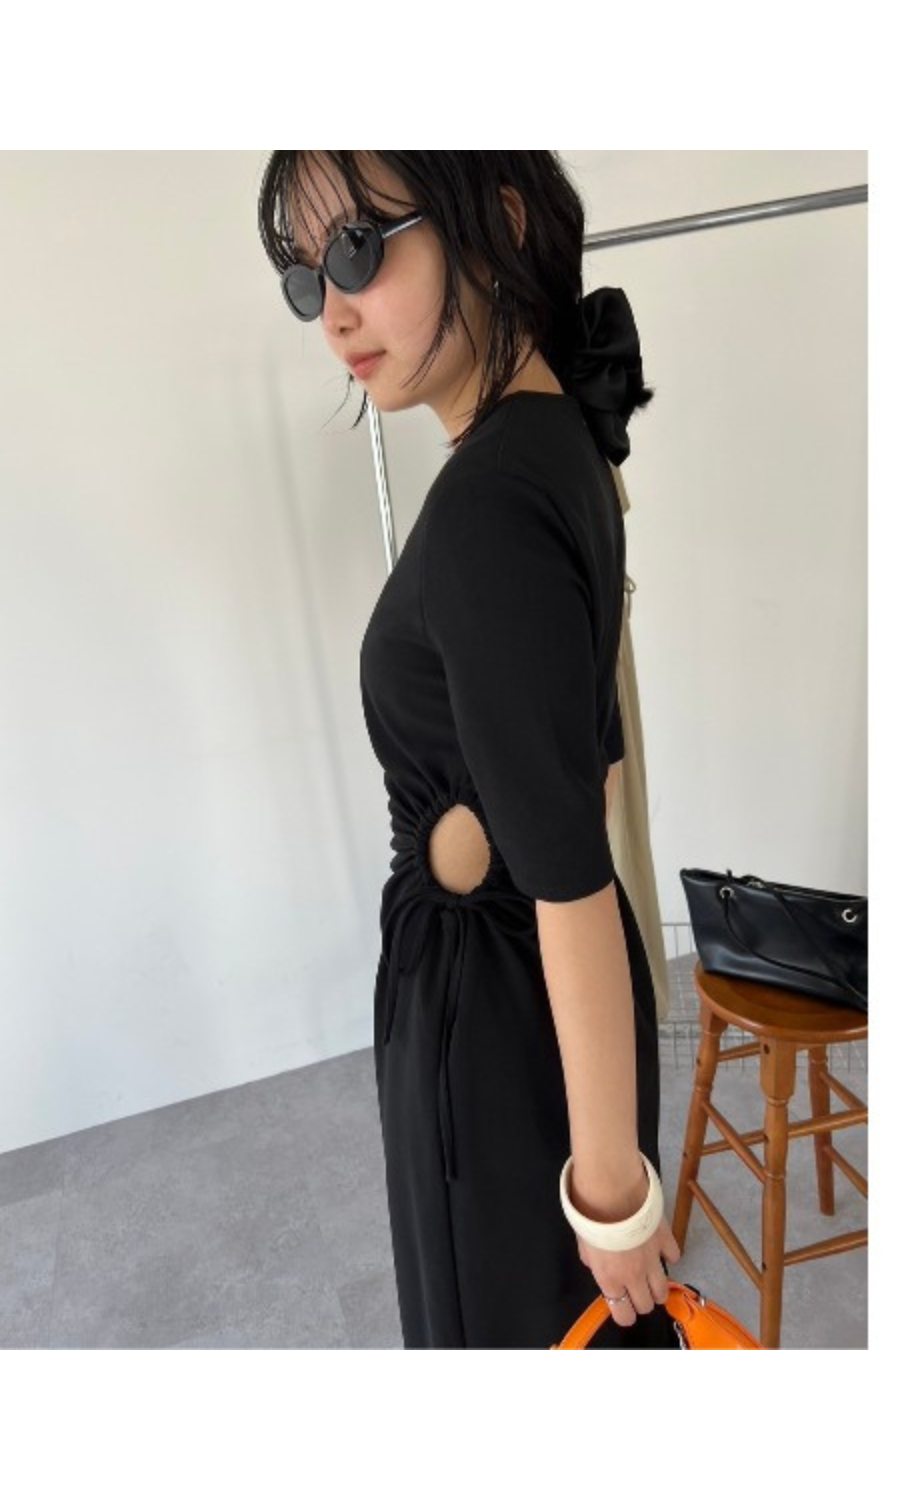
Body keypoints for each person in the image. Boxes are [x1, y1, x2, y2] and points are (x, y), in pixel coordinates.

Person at [257, 151, 682, 1349]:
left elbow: (567, 873)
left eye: (357, 249)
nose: (333, 313)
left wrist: (612, 1195)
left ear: (494, 220)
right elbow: (589, 776)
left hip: (497, 1036)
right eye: (305, 276)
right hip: (521, 1008)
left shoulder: (494, 497)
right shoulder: (552, 443)